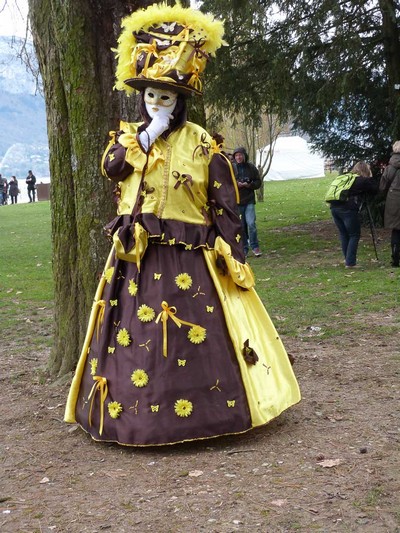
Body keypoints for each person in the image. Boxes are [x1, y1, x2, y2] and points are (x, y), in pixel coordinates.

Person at [64, 3, 300, 447]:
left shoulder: (203, 144)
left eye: (165, 97)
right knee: (135, 336)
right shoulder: (129, 139)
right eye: (150, 96)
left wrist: (233, 251)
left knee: (195, 337)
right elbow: (112, 169)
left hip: (189, 258)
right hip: (134, 260)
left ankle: (204, 416)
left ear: (181, 100)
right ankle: (131, 418)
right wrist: (147, 135)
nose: (156, 103)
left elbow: (226, 204)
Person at [328, 161, 378, 268]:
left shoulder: (346, 177)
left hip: (334, 207)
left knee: (344, 234)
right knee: (354, 235)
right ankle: (350, 263)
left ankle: (348, 259)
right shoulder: (362, 180)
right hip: (348, 209)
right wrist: (370, 176)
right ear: (365, 170)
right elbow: (375, 189)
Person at [232, 147, 263, 257]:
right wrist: (236, 184)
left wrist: (248, 185)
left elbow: (258, 182)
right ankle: (244, 248)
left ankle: (255, 246)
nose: (238, 157)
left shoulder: (251, 167)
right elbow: (226, 183)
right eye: (236, 155)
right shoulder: (231, 168)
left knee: (251, 224)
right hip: (237, 201)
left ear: (244, 155)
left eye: (240, 155)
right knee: (241, 226)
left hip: (249, 200)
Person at [379, 141, 400, 267]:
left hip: (394, 200)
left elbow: (382, 187)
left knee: (396, 230)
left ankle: (395, 258)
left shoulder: (390, 168)